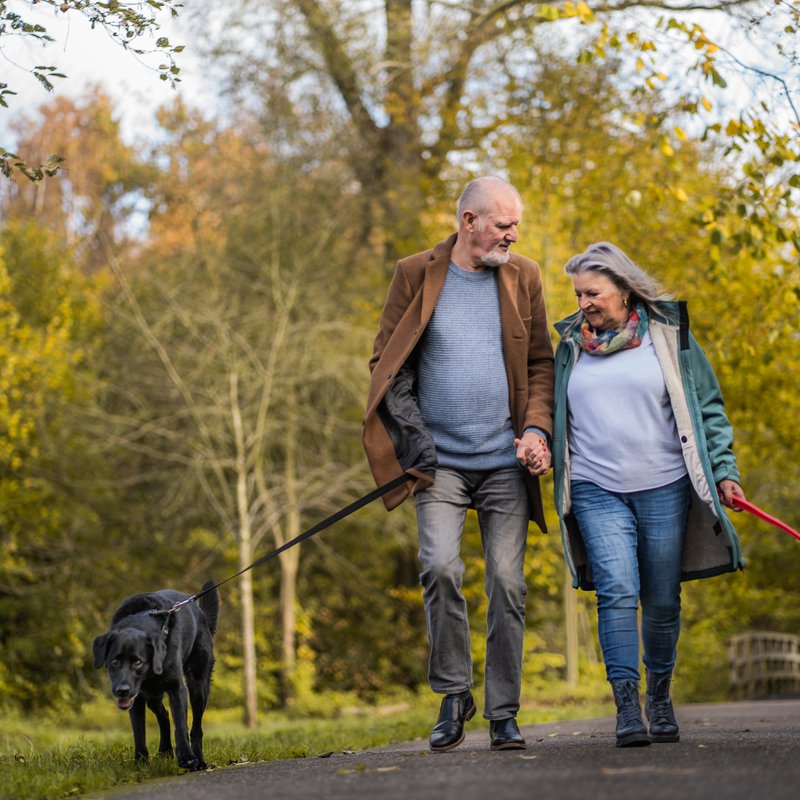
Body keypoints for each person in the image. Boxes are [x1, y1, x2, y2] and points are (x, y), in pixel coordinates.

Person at [362, 176, 555, 752]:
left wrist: (536, 429)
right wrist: (414, 438)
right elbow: (387, 362)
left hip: (504, 462)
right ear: (469, 221)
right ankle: (453, 694)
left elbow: (542, 362)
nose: (513, 234)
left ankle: (504, 712)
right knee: (440, 567)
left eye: (515, 224)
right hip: (439, 463)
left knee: (506, 580)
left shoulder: (525, 276)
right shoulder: (415, 273)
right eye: (503, 224)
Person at [551, 242, 746, 747]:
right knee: (618, 593)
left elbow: (708, 406)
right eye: (578, 294)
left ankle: (659, 696)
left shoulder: (668, 335)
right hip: (596, 488)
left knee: (662, 599)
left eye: (592, 292)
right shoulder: (569, 344)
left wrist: (724, 470)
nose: (583, 303)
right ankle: (626, 708)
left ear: (623, 288)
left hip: (665, 485)